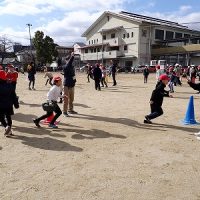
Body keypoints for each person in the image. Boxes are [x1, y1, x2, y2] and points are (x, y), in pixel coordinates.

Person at [0, 70, 19, 136]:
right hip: (9, 105)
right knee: (8, 117)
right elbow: (14, 96)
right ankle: (9, 130)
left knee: (1, 118)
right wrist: (16, 104)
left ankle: (6, 127)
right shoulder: (10, 85)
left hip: (1, 105)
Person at [62, 52, 77, 117]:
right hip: (66, 85)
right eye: (68, 59)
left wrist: (74, 81)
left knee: (71, 99)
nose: (70, 60)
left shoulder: (72, 67)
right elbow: (69, 63)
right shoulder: (65, 66)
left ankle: (70, 110)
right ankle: (64, 112)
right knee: (66, 99)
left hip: (72, 85)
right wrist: (72, 56)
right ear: (66, 60)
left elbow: (73, 75)